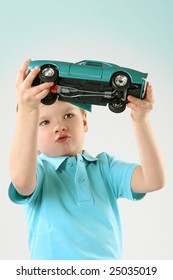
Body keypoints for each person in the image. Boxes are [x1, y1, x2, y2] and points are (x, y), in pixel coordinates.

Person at [9, 59, 165, 260]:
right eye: (44, 122)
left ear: (84, 121)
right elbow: (21, 181)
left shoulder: (105, 167)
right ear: (32, 137)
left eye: (68, 116)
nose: (59, 127)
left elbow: (153, 180)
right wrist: (27, 111)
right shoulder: (38, 172)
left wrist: (141, 120)